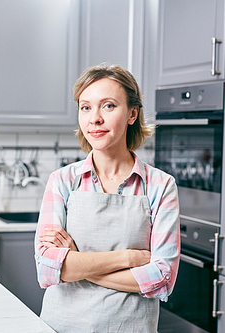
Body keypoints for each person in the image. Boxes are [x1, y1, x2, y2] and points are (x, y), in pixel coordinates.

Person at [34, 64, 180, 332]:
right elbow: (47, 268)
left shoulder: (161, 186)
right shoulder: (62, 181)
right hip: (62, 325)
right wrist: (128, 258)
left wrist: (77, 262)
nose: (94, 119)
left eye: (108, 106)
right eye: (86, 107)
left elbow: (161, 279)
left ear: (132, 114)